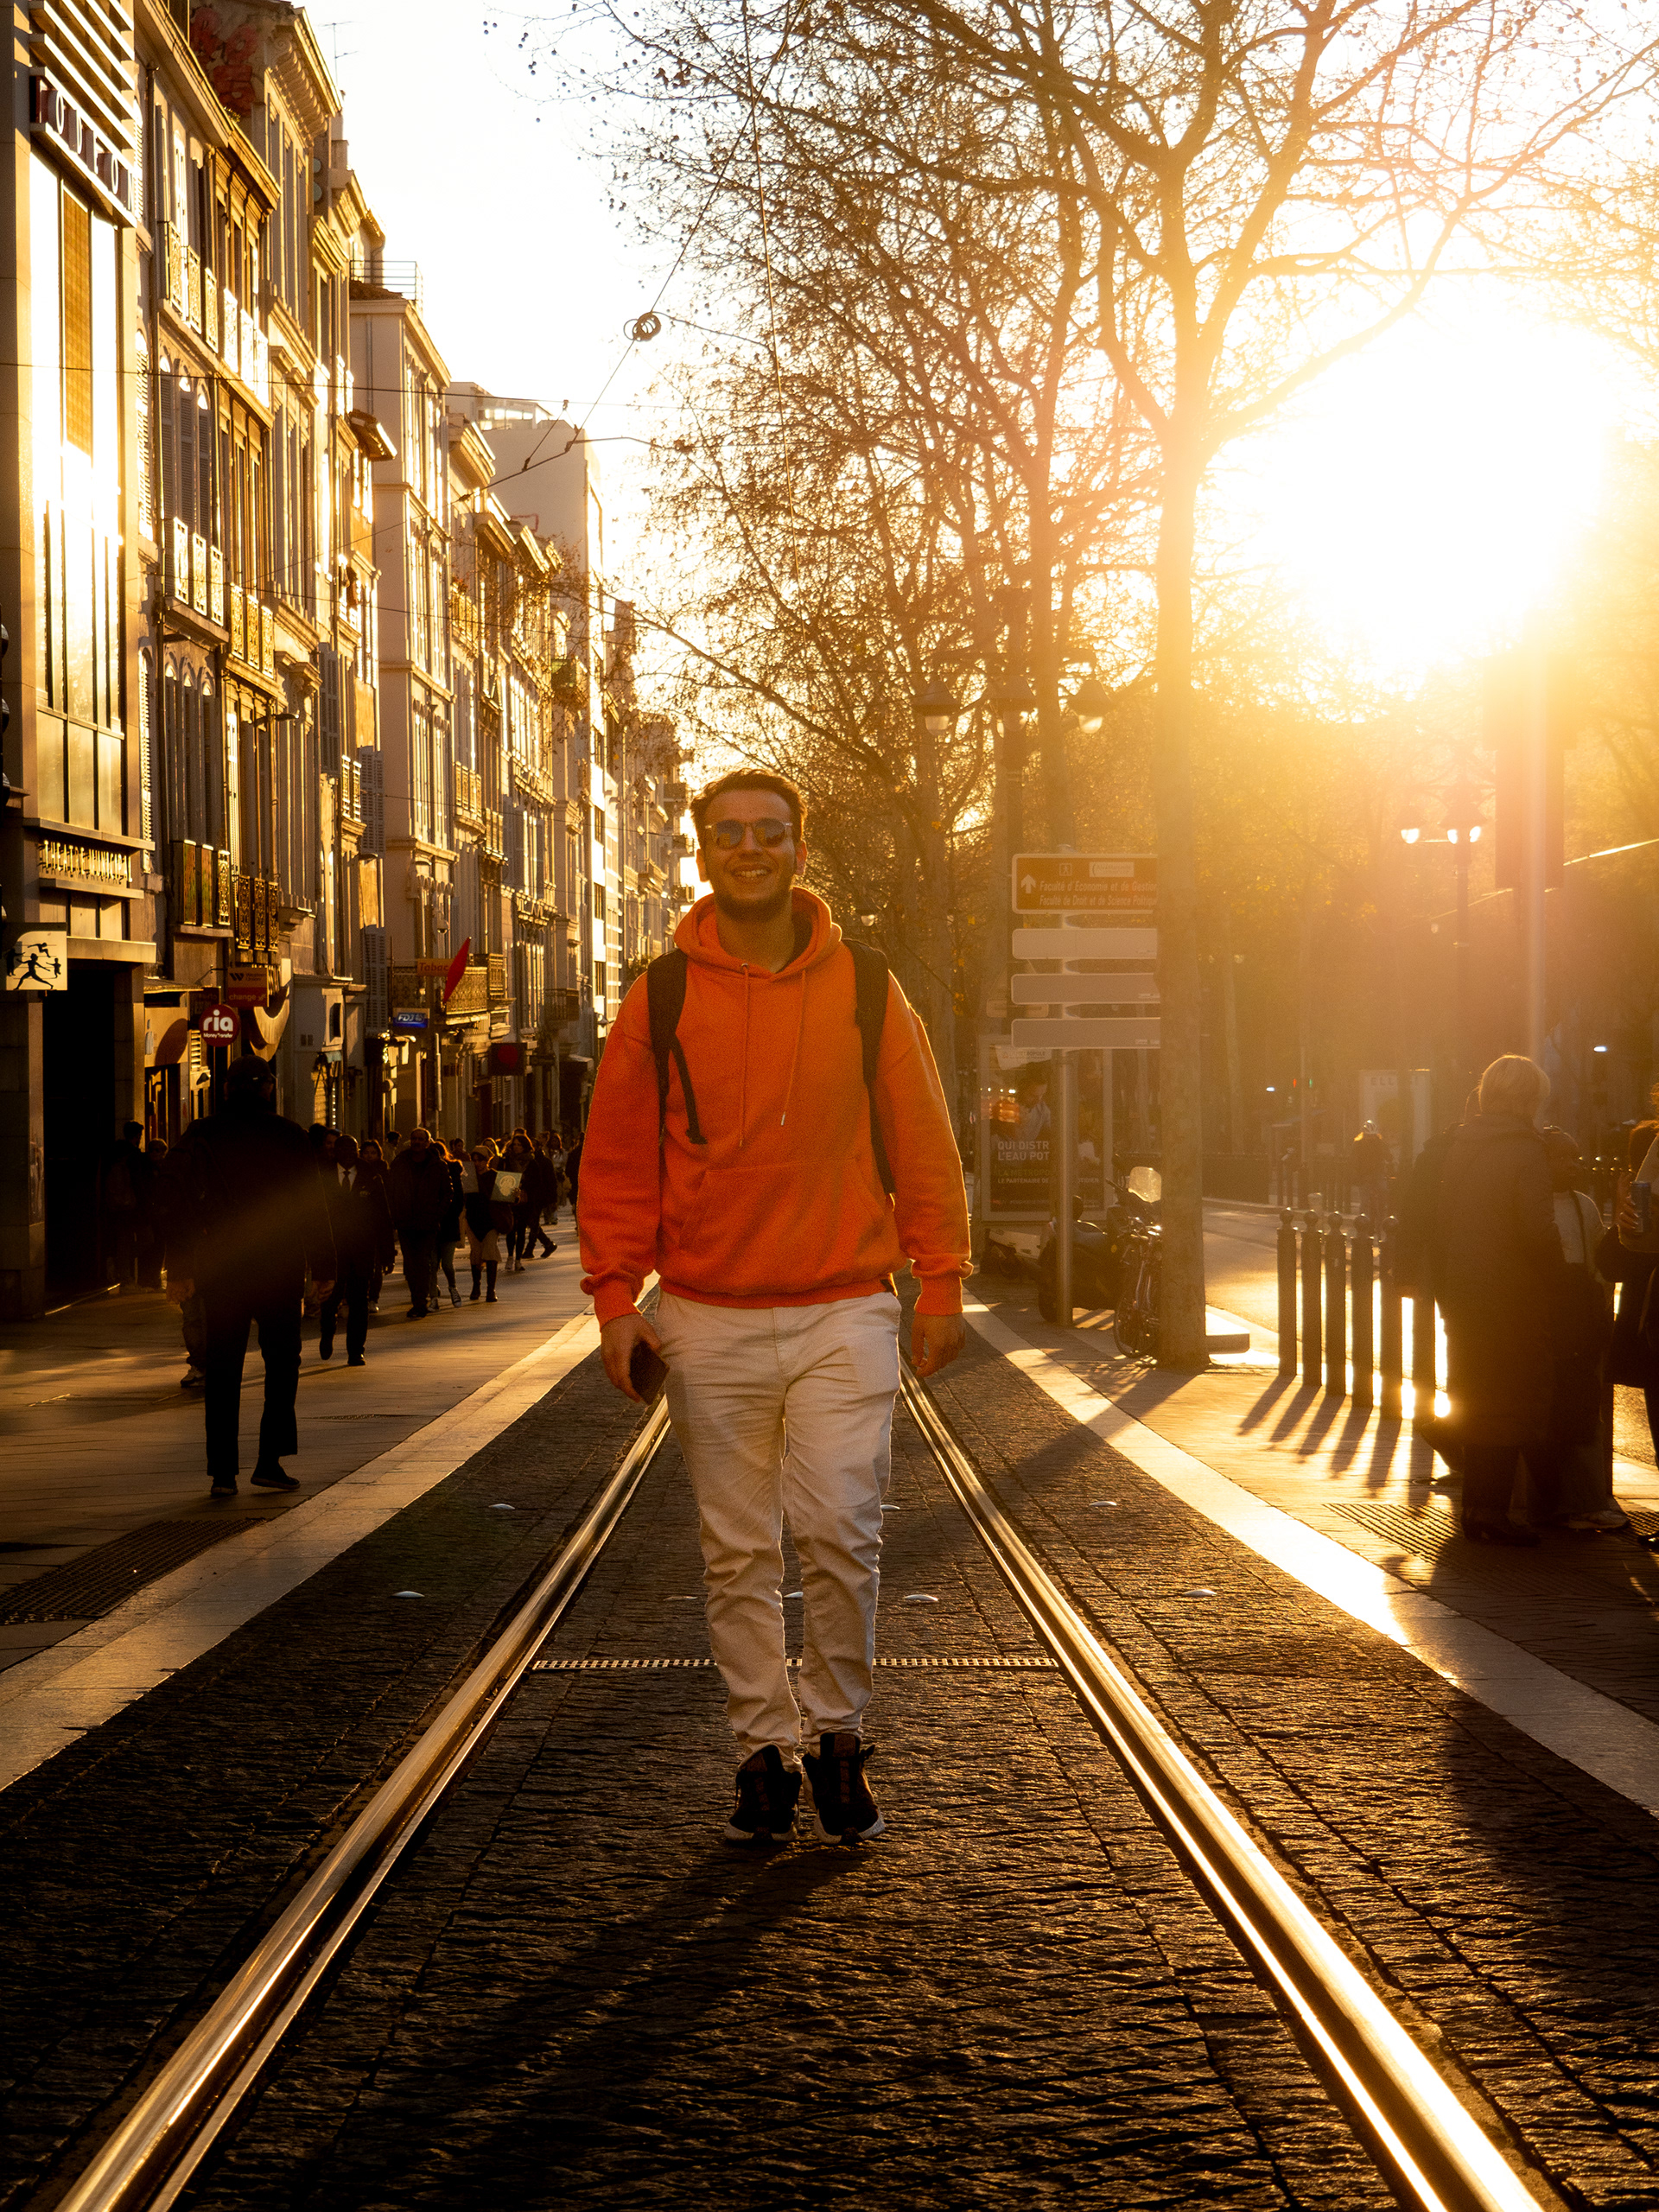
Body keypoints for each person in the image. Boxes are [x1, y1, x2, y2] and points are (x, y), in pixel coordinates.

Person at [580, 768, 971, 1848]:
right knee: (736, 1549)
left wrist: (941, 1277)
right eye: (729, 833)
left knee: (842, 1526)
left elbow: (924, 1139)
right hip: (705, 1313)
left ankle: (838, 1731)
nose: (750, 847)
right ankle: (761, 1748)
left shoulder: (868, 983)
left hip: (846, 1303)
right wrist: (615, 1297)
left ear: (801, 848)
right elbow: (617, 1159)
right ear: (703, 853)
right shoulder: (659, 995)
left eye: (770, 831)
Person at [156, 1054, 335, 1497]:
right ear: (268, 1088)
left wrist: (180, 1267)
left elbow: (172, 1199)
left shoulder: (203, 1134)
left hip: (223, 1265)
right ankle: (270, 1461)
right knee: (282, 1364)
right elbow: (312, 1205)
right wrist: (324, 1267)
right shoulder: (290, 1135)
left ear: (226, 1090)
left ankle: (222, 1473)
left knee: (222, 1367)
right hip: (279, 1265)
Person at [1431, 1054, 1562, 1546]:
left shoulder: (1462, 1144)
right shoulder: (1525, 1150)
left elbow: (1445, 1219)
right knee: (1510, 1403)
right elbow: (1537, 1229)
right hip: (1513, 1296)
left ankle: (1479, 1508)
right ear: (1528, 1101)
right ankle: (1493, 1512)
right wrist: (1560, 1274)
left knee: (1477, 1398)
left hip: (1464, 1292)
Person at [1535, 1127, 1621, 1531]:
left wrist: (1601, 1311)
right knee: (1544, 1413)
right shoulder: (1532, 1204)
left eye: (1575, 1157)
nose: (1572, 1165)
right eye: (1562, 1157)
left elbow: (1599, 1266)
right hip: (1540, 1322)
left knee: (1583, 1412)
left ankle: (1586, 1501)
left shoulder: (1582, 1205)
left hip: (1577, 1324)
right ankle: (1549, 1503)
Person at [318, 1135, 395, 1366]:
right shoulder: (323, 1174)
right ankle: (327, 1333)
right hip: (333, 1249)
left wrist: (387, 1252)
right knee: (330, 1299)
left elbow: (383, 1215)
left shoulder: (370, 1175)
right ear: (336, 1152)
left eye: (354, 1150)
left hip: (362, 1250)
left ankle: (356, 1350)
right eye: (345, 1149)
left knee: (359, 1301)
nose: (350, 1154)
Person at [387, 1125, 452, 1318]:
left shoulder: (438, 1165)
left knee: (423, 1262)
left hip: (427, 1223)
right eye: (414, 1138)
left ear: (427, 1143)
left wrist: (436, 1214)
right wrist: (396, 1213)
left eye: (421, 1139)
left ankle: (420, 1302)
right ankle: (416, 1298)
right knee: (410, 1264)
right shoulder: (400, 1163)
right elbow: (391, 1190)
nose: (417, 1142)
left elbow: (447, 1193)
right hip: (405, 1221)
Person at [100, 1120, 152, 1287]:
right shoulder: (134, 1155)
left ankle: (121, 1269)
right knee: (146, 1239)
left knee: (124, 1240)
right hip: (132, 1206)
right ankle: (124, 1273)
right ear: (137, 1136)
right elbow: (139, 1184)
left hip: (115, 1205)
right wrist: (145, 1206)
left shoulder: (111, 1154)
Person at [461, 1142, 509, 1300]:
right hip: (473, 1219)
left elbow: (504, 1199)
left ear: (487, 1160)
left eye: (480, 1160)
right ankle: (476, 1286)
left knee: (490, 1251)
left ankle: (490, 1290)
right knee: (476, 1253)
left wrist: (514, 1196)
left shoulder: (495, 1176)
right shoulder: (468, 1176)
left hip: (490, 1220)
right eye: (474, 1160)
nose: (477, 1163)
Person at [357, 1137, 395, 1311]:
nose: (369, 1156)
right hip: (359, 1224)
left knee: (376, 1263)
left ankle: (373, 1298)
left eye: (373, 1153)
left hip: (377, 1225)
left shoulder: (384, 1173)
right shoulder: (356, 1171)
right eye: (366, 1153)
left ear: (379, 1155)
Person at [496, 1129, 534, 1273]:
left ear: (525, 1147)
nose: (517, 1147)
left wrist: (524, 1184)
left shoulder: (531, 1161)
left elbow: (536, 1182)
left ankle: (518, 1259)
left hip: (525, 1200)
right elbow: (499, 1176)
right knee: (510, 1230)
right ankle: (510, 1257)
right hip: (509, 1198)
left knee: (521, 1230)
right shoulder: (506, 1160)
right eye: (515, 1144)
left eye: (519, 1145)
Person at [435, 1140, 465, 1307]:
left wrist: (453, 1214)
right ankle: (433, 1295)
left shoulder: (452, 1169)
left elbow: (459, 1197)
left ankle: (453, 1288)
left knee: (447, 1263)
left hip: (449, 1223)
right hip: (431, 1223)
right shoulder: (425, 1170)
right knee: (432, 1264)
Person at [523, 1135, 559, 1259]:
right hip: (527, 1196)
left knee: (533, 1221)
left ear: (539, 1147)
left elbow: (552, 1181)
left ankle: (530, 1249)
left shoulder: (544, 1161)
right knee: (532, 1222)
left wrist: (553, 1200)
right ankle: (548, 1244)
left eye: (534, 1145)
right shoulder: (526, 1161)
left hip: (539, 1197)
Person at [1351, 1120, 1389, 1229]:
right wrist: (1356, 1177)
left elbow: (1387, 1154)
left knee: (1384, 1190)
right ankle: (1362, 1224)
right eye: (1368, 1136)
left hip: (1378, 1174)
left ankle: (1383, 1217)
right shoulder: (1358, 1145)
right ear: (1364, 1135)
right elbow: (1353, 1161)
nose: (1371, 1138)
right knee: (1365, 1201)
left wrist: (1389, 1158)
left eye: (1373, 1136)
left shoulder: (1381, 1144)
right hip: (1364, 1175)